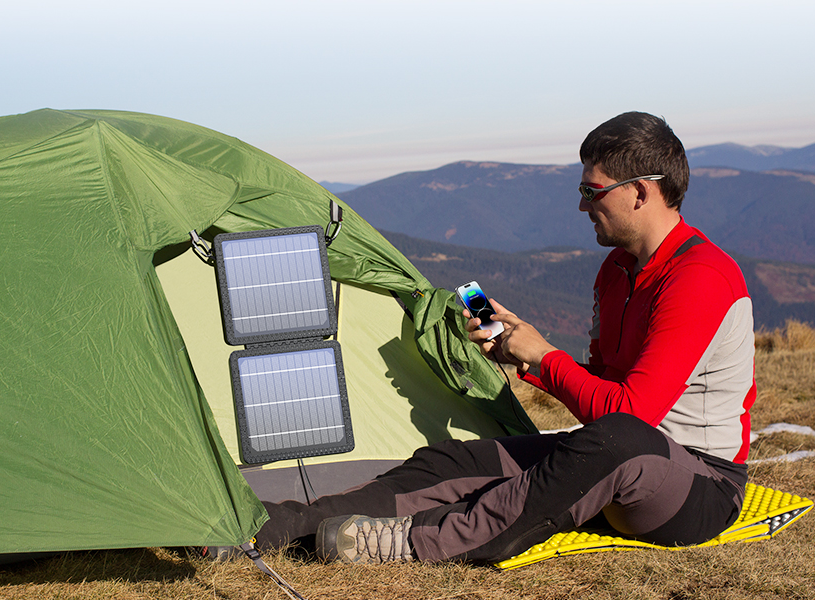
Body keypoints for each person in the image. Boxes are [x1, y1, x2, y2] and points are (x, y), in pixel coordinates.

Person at [249, 111, 756, 565]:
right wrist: (522, 355)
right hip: (617, 456)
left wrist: (545, 356)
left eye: (591, 191)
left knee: (617, 441)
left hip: (702, 486)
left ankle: (417, 541)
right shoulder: (616, 270)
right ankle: (274, 527)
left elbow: (632, 417)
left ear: (641, 192)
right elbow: (599, 397)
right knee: (450, 461)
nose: (582, 207)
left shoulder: (700, 277)